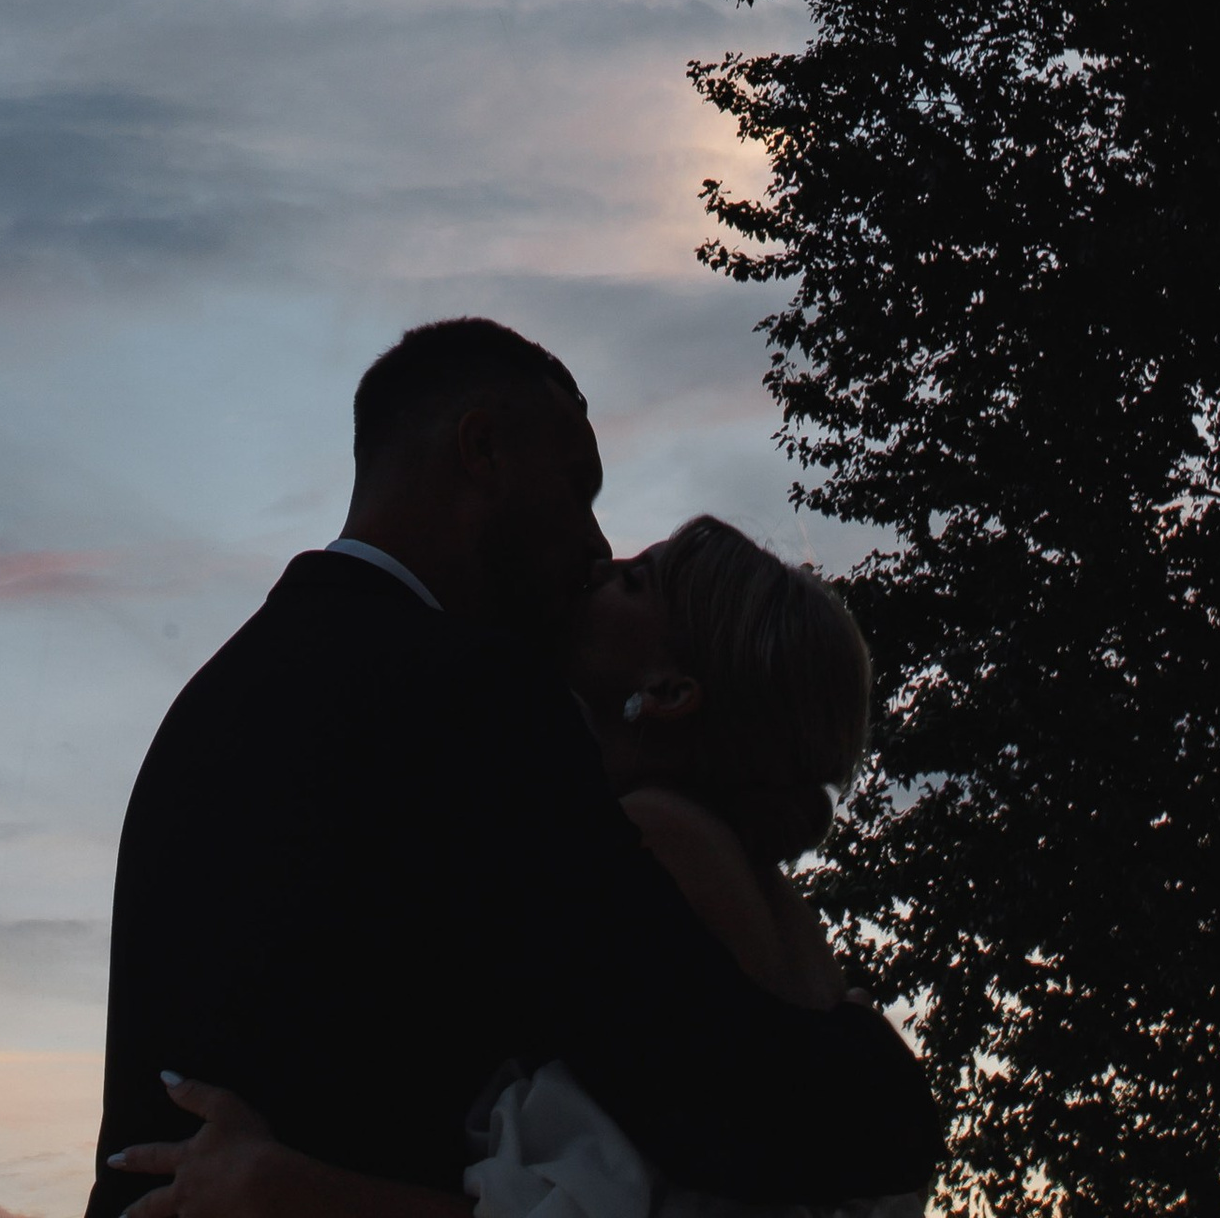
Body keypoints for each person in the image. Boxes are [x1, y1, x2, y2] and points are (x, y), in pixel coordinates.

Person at [85, 321, 939, 1218]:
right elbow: (719, 1090)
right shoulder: (474, 698)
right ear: (483, 450)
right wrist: (887, 1077)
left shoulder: (214, 698)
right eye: (579, 489)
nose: (597, 546)